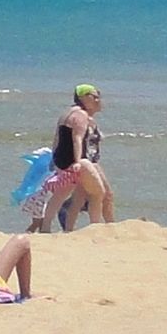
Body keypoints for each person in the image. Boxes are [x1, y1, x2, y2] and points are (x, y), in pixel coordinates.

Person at [45, 84, 115, 227]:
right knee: (100, 194)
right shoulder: (80, 116)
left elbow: (58, 137)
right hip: (82, 162)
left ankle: (58, 227)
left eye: (99, 97)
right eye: (94, 97)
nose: (98, 100)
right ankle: (99, 227)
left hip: (78, 161)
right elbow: (77, 138)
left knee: (77, 197)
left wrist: (55, 158)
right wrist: (77, 161)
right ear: (83, 97)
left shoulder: (71, 114)